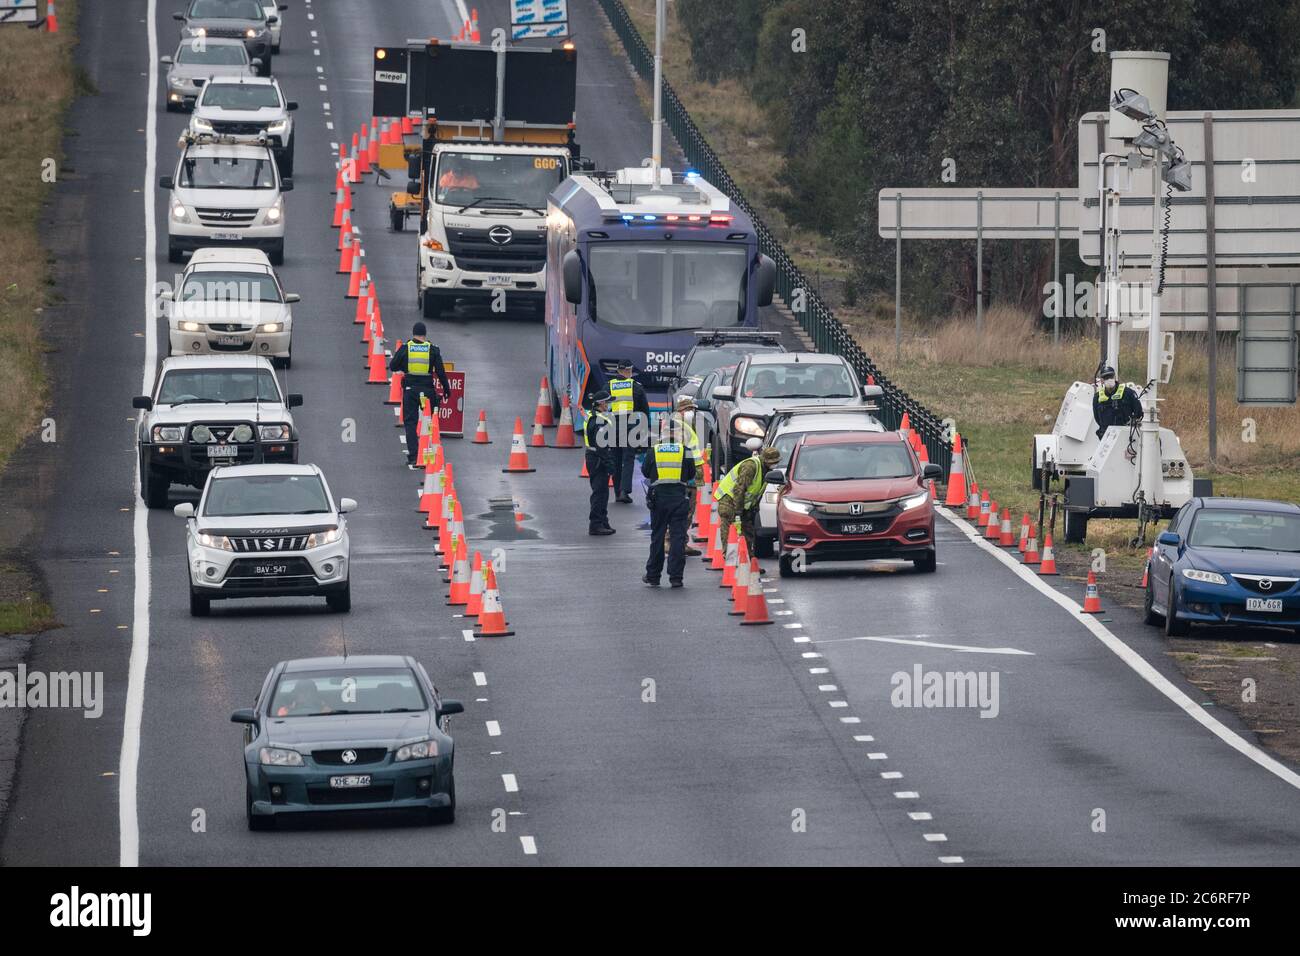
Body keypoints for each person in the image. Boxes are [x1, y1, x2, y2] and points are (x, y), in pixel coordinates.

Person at [641, 418, 697, 588]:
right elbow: (691, 474)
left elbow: (645, 472)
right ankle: (676, 577)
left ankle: (653, 575)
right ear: (679, 435)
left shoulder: (654, 451)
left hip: (658, 499)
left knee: (657, 537)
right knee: (677, 538)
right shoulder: (685, 450)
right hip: (679, 499)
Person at [389, 321, 452, 468]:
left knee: (410, 423)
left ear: (413, 333)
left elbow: (393, 366)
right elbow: (441, 372)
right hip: (428, 391)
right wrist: (447, 389)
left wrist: (405, 367)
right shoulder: (432, 349)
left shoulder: (406, 348)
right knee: (431, 423)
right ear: (425, 334)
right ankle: (433, 454)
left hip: (410, 390)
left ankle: (413, 456)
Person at [715, 438, 781, 557]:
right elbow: (739, 489)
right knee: (730, 529)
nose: (775, 465)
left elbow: (756, 493)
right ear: (766, 460)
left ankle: (747, 561)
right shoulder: (751, 466)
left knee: (747, 531)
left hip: (742, 503)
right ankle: (729, 558)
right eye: (773, 462)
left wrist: (752, 510)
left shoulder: (765, 470)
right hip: (729, 499)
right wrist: (738, 511)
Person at [666, 397, 705, 557]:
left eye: (693, 410)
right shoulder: (678, 428)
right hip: (685, 478)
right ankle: (672, 542)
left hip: (690, 476)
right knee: (684, 511)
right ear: (681, 411)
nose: (692, 413)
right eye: (689, 410)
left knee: (687, 512)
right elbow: (679, 453)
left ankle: (680, 542)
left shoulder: (685, 426)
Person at [608, 359, 651, 504]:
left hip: (613, 426)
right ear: (628, 371)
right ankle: (624, 492)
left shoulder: (609, 385)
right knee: (628, 459)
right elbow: (644, 410)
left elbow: (601, 404)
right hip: (629, 427)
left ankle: (616, 491)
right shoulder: (636, 387)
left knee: (615, 459)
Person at [584, 391, 616, 536]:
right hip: (598, 458)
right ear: (601, 403)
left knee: (602, 492)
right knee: (599, 493)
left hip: (594, 456)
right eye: (607, 402)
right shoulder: (599, 421)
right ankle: (595, 524)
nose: (609, 405)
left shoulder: (594, 416)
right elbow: (601, 444)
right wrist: (609, 463)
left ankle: (603, 521)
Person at [1092, 365, 1143, 439]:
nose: (1109, 379)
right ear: (1102, 380)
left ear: (1114, 376)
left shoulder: (1128, 393)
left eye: (1111, 376)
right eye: (1106, 377)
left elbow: (1138, 412)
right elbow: (1097, 418)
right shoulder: (1097, 397)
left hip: (1125, 435)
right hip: (1106, 436)